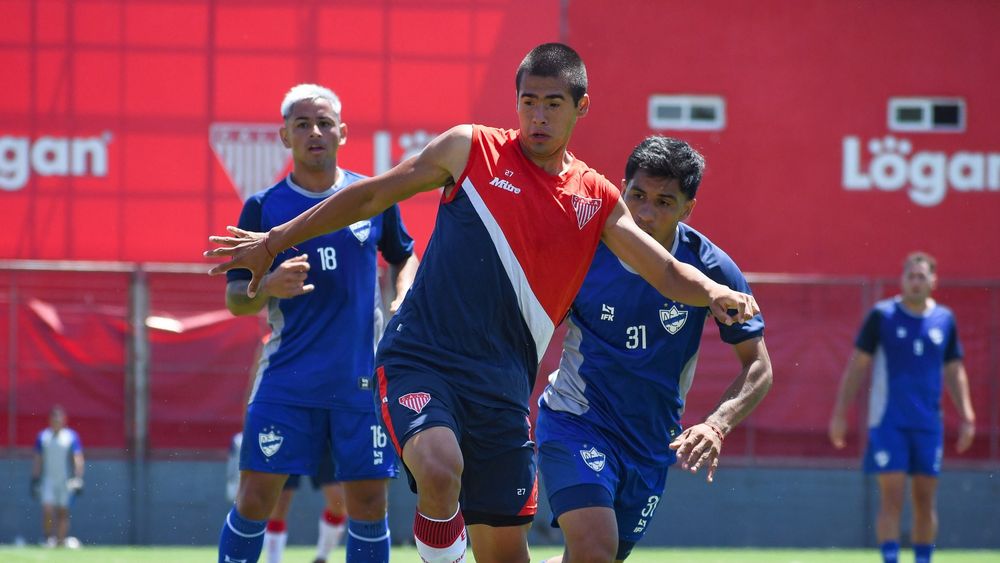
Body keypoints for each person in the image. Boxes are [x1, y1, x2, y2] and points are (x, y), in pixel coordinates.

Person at [206, 43, 759, 563]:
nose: (538, 117)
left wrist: (711, 292)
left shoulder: (595, 198)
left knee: (505, 551)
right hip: (422, 358)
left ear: (581, 108)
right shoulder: (470, 149)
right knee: (441, 472)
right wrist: (274, 240)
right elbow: (375, 193)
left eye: (553, 105)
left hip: (503, 388)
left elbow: (662, 268)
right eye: (528, 103)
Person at [535, 136, 773, 562]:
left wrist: (716, 425)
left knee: (593, 557)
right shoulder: (585, 250)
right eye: (637, 195)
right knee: (594, 549)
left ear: (688, 208)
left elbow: (758, 365)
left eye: (664, 202)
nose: (645, 213)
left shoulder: (713, 269)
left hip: (649, 446)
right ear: (622, 188)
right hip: (577, 420)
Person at [214, 83, 420, 563]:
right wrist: (267, 287)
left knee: (369, 504)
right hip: (287, 379)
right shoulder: (263, 209)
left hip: (360, 381)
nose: (315, 132)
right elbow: (234, 301)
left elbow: (405, 257)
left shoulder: (371, 196)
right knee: (255, 499)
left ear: (342, 133)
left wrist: (403, 292)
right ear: (285, 136)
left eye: (324, 123)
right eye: (302, 124)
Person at [829, 252, 975, 563]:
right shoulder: (882, 316)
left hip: (928, 425)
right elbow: (857, 367)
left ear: (933, 281)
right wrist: (840, 413)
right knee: (892, 498)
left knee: (924, 501)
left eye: (922, 276)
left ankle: (923, 559)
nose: (916, 282)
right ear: (902, 280)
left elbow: (954, 369)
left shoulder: (944, 320)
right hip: (888, 422)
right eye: (911, 276)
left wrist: (967, 415)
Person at [31, 405, 85, 549]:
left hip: (65, 480)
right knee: (48, 509)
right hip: (48, 479)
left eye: (59, 418)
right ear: (50, 420)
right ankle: (48, 539)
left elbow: (77, 457)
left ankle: (60, 541)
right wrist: (35, 479)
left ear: (63, 420)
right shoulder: (43, 437)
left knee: (63, 511)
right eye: (54, 418)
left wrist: (78, 477)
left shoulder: (70, 436)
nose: (56, 421)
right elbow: (38, 458)